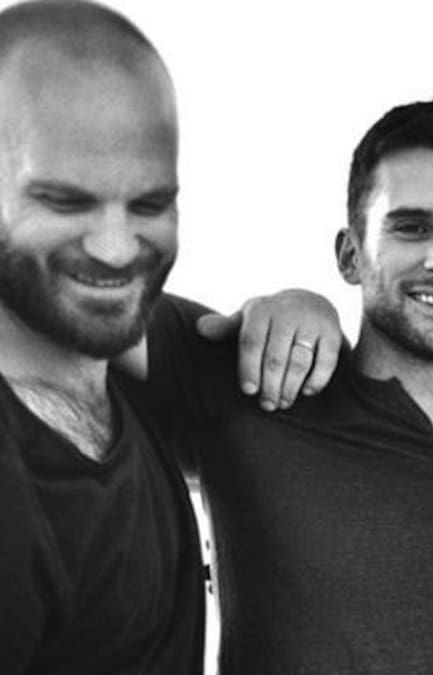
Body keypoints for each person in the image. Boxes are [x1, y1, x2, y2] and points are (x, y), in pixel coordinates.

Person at [131, 100, 433, 673]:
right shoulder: (258, 378)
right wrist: (293, 303)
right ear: (350, 255)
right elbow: (57, 288)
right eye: (412, 227)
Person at [0, 1, 205, 671]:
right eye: (65, 202)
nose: (116, 250)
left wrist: (298, 309)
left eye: (149, 204)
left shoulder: (112, 352)